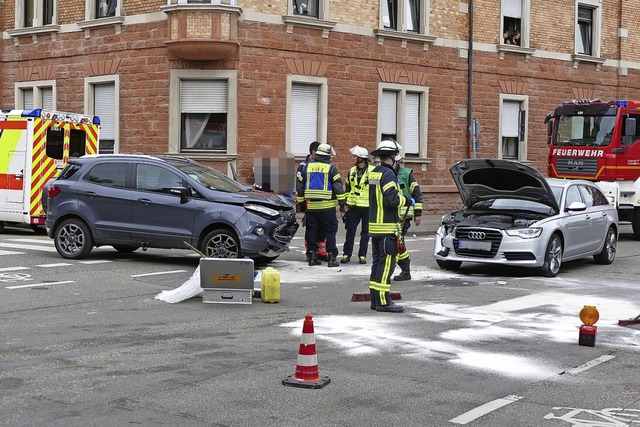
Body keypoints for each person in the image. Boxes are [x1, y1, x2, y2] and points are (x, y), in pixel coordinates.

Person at [367, 139, 412, 313]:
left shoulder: (374, 173)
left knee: (377, 263)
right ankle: (384, 302)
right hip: (387, 227)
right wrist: (407, 200)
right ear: (392, 157)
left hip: (375, 227)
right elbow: (392, 199)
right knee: (387, 266)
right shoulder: (388, 174)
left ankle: (374, 299)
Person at [296, 143, 346, 267]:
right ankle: (331, 258)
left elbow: (300, 188)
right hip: (327, 207)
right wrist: (342, 205)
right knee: (330, 232)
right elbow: (338, 188)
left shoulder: (307, 167)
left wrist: (302, 205)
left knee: (312, 231)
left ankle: (312, 257)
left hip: (312, 207)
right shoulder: (331, 168)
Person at [341, 146, 374, 264]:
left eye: (355, 156)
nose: (353, 158)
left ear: (362, 158)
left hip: (367, 207)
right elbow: (348, 188)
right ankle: (346, 254)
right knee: (350, 231)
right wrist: (346, 204)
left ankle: (362, 255)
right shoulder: (352, 171)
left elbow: (375, 190)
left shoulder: (372, 171)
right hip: (353, 206)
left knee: (366, 232)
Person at [393, 155, 423, 281]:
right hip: (390, 215)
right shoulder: (386, 173)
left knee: (398, 242)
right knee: (395, 243)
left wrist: (418, 214)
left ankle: (404, 270)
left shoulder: (406, 174)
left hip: (403, 215)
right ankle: (403, 270)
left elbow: (417, 194)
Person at [296, 141, 328, 262]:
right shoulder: (303, 166)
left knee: (322, 229)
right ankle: (311, 252)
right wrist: (302, 203)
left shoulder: (322, 165)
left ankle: (321, 252)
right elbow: (300, 185)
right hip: (310, 204)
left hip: (322, 204)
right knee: (311, 229)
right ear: (314, 152)